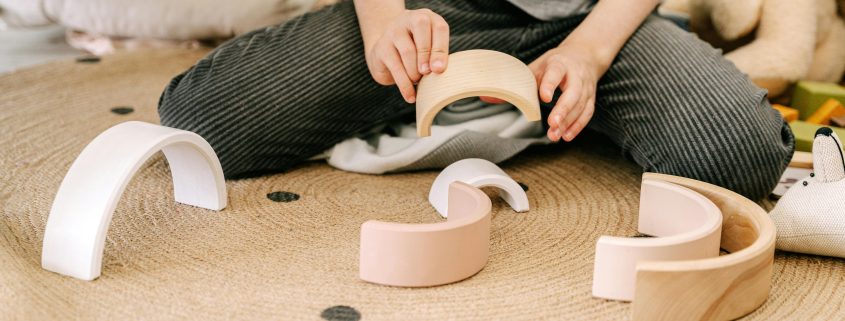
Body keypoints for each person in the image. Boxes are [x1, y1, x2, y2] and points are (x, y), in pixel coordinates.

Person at [157, 0, 794, 200]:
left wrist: (591, 54)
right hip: (434, 12)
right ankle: (452, 89)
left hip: (592, 21)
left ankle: (561, 94)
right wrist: (384, 26)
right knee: (204, 124)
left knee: (736, 156)